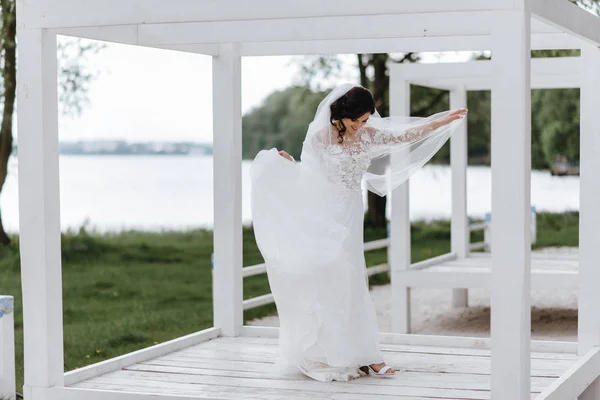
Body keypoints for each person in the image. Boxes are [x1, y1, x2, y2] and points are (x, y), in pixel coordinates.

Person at [250, 83, 467, 381]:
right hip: (324, 212)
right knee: (329, 276)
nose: (362, 126)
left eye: (366, 120)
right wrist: (285, 166)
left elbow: (403, 136)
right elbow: (308, 175)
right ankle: (331, 352)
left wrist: (439, 122)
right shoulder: (319, 137)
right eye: (358, 120)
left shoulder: (367, 135)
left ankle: (366, 354)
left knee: (352, 279)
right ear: (343, 114)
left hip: (351, 213)